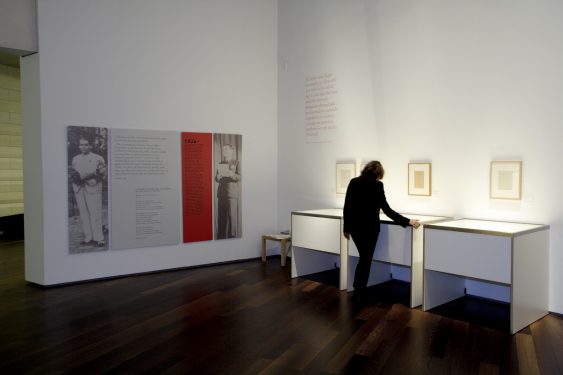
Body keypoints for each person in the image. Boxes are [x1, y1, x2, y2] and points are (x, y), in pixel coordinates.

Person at [343, 161, 420, 305]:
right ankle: (359, 291)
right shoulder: (377, 185)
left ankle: (358, 290)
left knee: (364, 258)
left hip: (355, 228)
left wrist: (346, 228)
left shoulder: (354, 182)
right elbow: (387, 210)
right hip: (370, 229)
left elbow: (347, 206)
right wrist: (407, 221)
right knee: (365, 259)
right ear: (378, 174)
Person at [71, 136, 106, 247]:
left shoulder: (97, 157)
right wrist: (76, 179)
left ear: (90, 145)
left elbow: (102, 174)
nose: (84, 147)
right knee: (84, 214)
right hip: (79, 188)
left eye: (86, 144)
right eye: (81, 144)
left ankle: (99, 239)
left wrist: (93, 179)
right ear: (79, 146)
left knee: (95, 212)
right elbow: (73, 173)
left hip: (93, 187)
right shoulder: (75, 159)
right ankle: (88, 238)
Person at [215, 143, 241, 239]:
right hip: (221, 194)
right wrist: (217, 177)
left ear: (231, 151)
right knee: (221, 219)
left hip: (231, 194)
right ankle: (221, 238)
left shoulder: (236, 162)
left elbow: (240, 176)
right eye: (223, 150)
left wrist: (231, 175)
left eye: (226, 150)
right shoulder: (220, 163)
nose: (224, 152)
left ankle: (233, 238)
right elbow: (216, 178)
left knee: (232, 219)